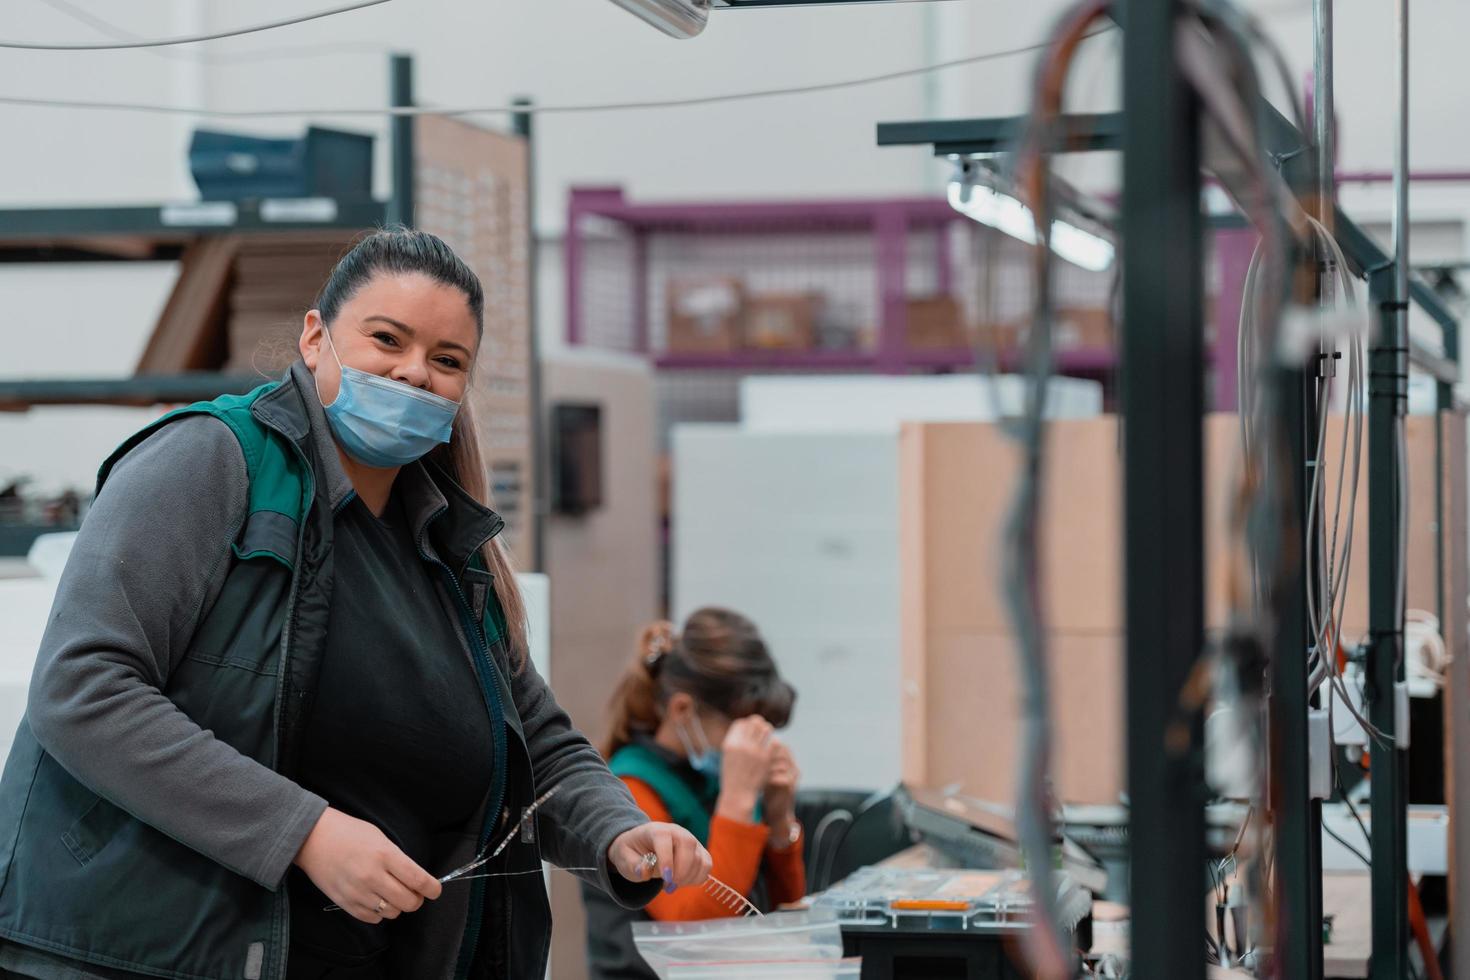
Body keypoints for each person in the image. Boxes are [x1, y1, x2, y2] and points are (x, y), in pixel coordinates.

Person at [0, 229, 710, 980]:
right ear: (315, 337)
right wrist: (305, 833)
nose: (413, 374)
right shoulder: (211, 462)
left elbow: (531, 733)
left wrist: (617, 830)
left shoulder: (445, 541)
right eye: (386, 339)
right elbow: (83, 689)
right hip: (140, 955)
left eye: (446, 361)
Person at [583, 609, 804, 979]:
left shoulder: (712, 780)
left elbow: (783, 914)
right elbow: (696, 930)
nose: (755, 745)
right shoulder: (630, 787)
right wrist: (737, 801)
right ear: (682, 709)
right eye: (742, 728)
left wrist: (781, 822)